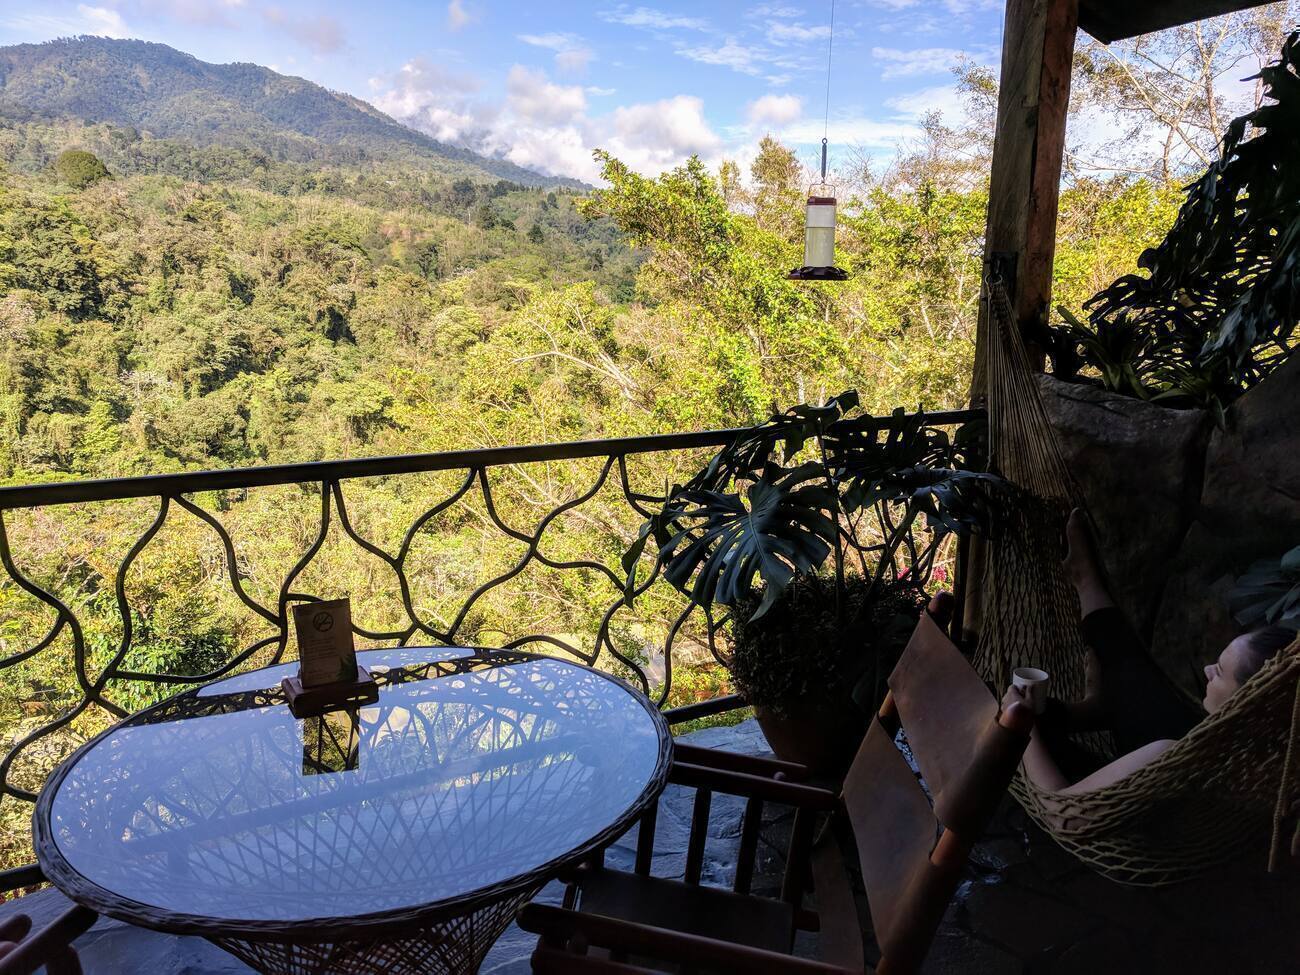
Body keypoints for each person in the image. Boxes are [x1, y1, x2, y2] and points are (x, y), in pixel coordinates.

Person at [1001, 509, 1297, 795]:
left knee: (1035, 719)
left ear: (1250, 700)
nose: (1207, 670)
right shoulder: (1266, 751)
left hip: (1122, 813)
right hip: (1184, 772)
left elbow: (1063, 815)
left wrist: (1020, 729)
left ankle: (1085, 582)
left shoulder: (1171, 755)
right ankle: (1098, 705)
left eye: (1219, 672)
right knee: (1137, 678)